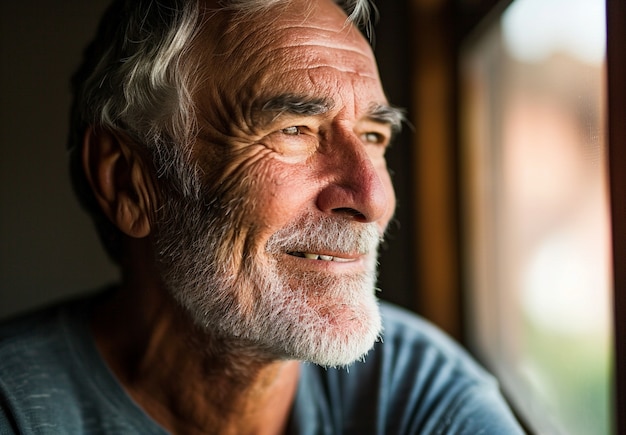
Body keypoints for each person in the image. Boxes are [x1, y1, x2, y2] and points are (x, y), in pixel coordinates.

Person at [0, 0, 524, 433]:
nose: (373, 198)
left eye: (373, 136)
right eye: (293, 129)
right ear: (126, 182)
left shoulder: (424, 396)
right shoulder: (17, 408)